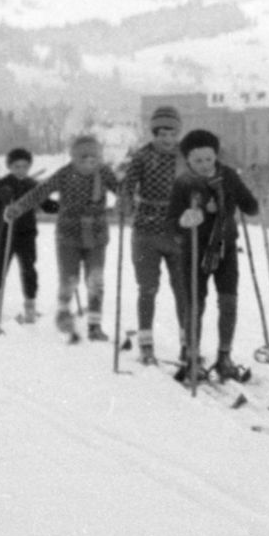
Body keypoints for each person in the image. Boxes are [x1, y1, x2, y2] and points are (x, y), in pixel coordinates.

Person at [4, 135, 121, 343]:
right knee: (69, 278)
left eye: (93, 158)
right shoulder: (65, 174)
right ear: (74, 158)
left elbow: (123, 190)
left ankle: (95, 325)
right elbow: (39, 192)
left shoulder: (104, 173)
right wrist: (19, 207)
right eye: (83, 158)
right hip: (69, 235)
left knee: (95, 280)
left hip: (97, 235)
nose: (89, 163)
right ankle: (64, 314)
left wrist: (129, 202)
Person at [166, 129, 260, 382]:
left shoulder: (228, 175)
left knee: (228, 300)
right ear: (188, 161)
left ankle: (224, 356)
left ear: (215, 155)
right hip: (194, 250)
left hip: (225, 247)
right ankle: (193, 356)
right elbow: (172, 220)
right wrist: (184, 220)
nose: (205, 165)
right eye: (198, 161)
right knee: (196, 302)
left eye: (209, 159)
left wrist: (251, 201)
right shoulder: (184, 183)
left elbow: (249, 204)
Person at [121, 105, 189, 364]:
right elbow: (127, 183)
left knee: (183, 290)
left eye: (171, 133)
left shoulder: (186, 157)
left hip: (178, 232)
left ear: (178, 133)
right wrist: (125, 200)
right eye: (161, 134)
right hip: (146, 231)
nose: (166, 139)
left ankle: (187, 343)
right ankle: (146, 343)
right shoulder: (142, 156)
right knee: (147, 288)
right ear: (153, 133)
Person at [0, 147, 58, 320]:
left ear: (29, 166)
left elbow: (47, 205)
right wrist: (0, 195)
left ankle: (30, 304)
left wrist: (62, 206)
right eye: (17, 166)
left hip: (26, 234)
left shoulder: (33, 185)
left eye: (24, 166)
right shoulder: (1, 183)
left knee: (29, 269)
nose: (21, 170)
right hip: (3, 233)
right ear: (10, 166)